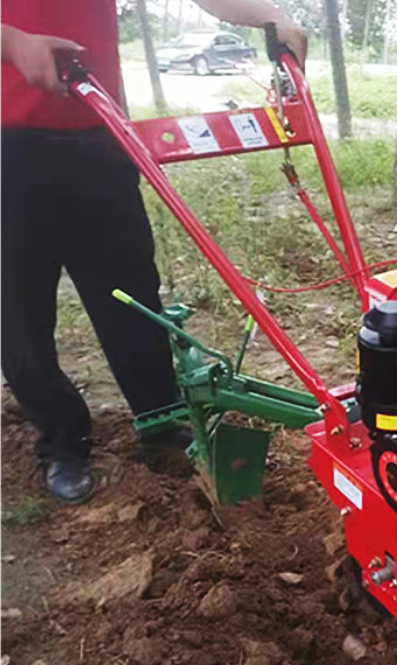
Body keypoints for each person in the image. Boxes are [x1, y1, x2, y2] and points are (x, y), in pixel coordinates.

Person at [0, 1, 306, 503]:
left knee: (131, 296)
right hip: (6, 144)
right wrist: (10, 42)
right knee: (18, 311)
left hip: (98, 134)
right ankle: (63, 440)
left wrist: (273, 17)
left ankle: (159, 420)